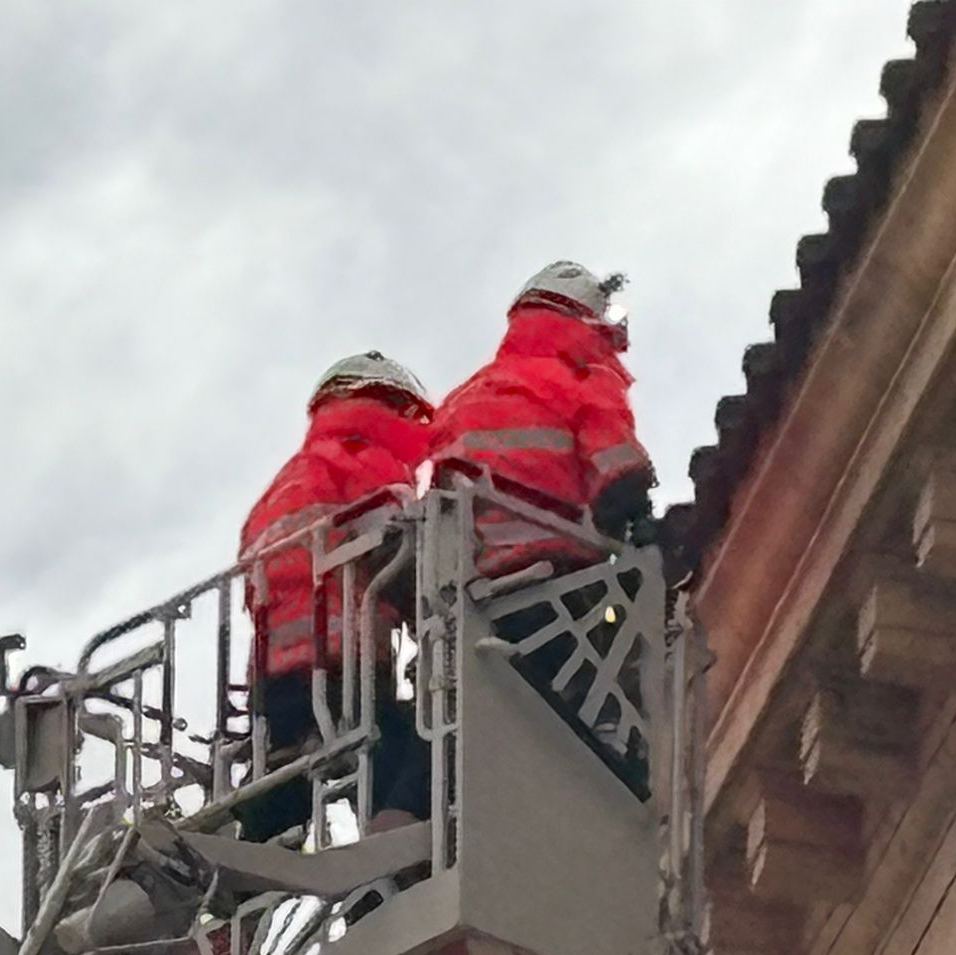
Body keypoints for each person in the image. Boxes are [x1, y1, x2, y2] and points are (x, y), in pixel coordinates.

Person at [234, 351, 433, 842]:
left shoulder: (284, 482)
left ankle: (233, 889)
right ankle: (396, 846)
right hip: (344, 663)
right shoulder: (367, 460)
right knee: (424, 741)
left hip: (274, 677)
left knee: (287, 775)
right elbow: (397, 547)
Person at [427, 261, 656, 578]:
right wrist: (639, 523)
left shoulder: (463, 395)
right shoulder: (582, 376)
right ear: (587, 316)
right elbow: (616, 467)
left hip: (480, 577)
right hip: (562, 562)